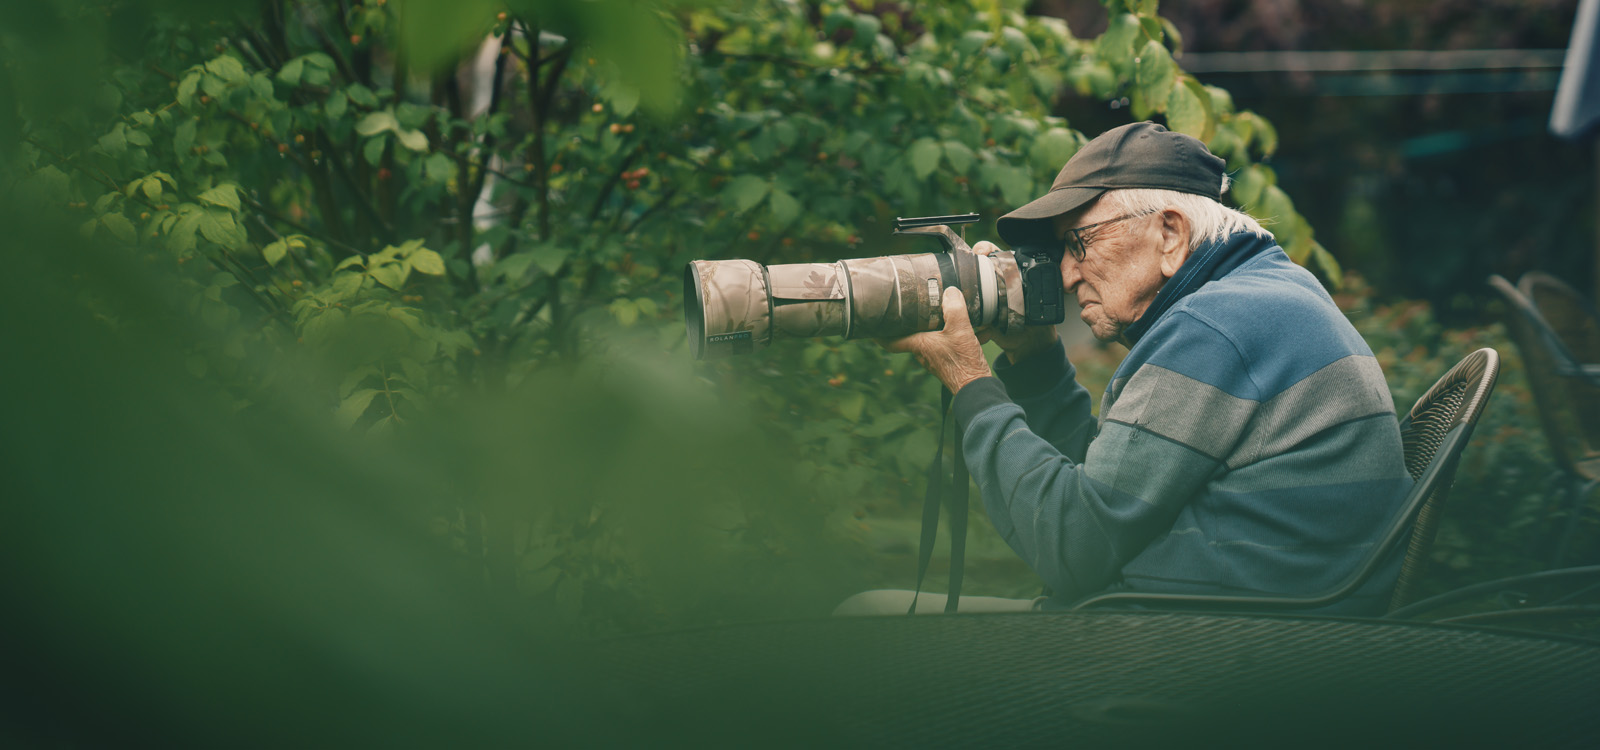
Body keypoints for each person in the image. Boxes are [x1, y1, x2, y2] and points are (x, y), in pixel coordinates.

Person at [835, 121, 1413, 616]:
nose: (1064, 274)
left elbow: (1072, 547)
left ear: (1169, 232)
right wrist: (1032, 359)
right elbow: (1109, 492)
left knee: (866, 619)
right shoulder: (1260, 296)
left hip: (1211, 653)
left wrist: (968, 379)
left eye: (1079, 243)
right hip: (1250, 630)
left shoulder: (1216, 325)